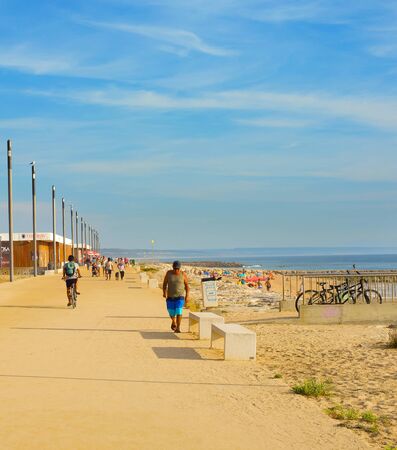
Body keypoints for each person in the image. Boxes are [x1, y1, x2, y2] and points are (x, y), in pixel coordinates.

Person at [162, 261, 189, 333]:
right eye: (174, 269)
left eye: (177, 269)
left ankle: (178, 328)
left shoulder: (183, 274)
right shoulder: (168, 273)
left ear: (179, 268)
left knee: (179, 311)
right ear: (172, 268)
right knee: (171, 313)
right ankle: (174, 321)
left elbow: (187, 286)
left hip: (180, 297)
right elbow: (164, 284)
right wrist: (164, 292)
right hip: (170, 297)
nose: (176, 270)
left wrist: (187, 296)